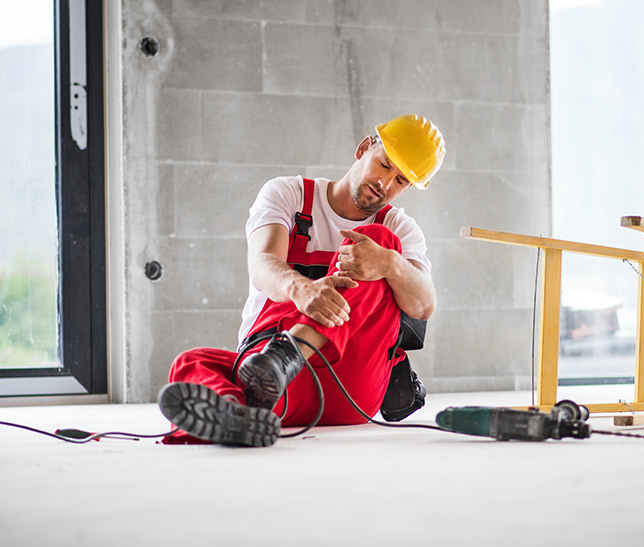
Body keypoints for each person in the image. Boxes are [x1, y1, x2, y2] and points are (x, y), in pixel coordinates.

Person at [157, 114, 446, 447]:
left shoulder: (399, 227)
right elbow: (262, 264)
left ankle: (287, 353)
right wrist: (301, 289)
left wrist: (391, 264)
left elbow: (424, 305)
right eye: (383, 165)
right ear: (364, 147)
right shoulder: (289, 194)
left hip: (348, 381)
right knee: (191, 362)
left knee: (378, 239)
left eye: (401, 181)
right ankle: (240, 418)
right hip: (278, 383)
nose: (386, 184)